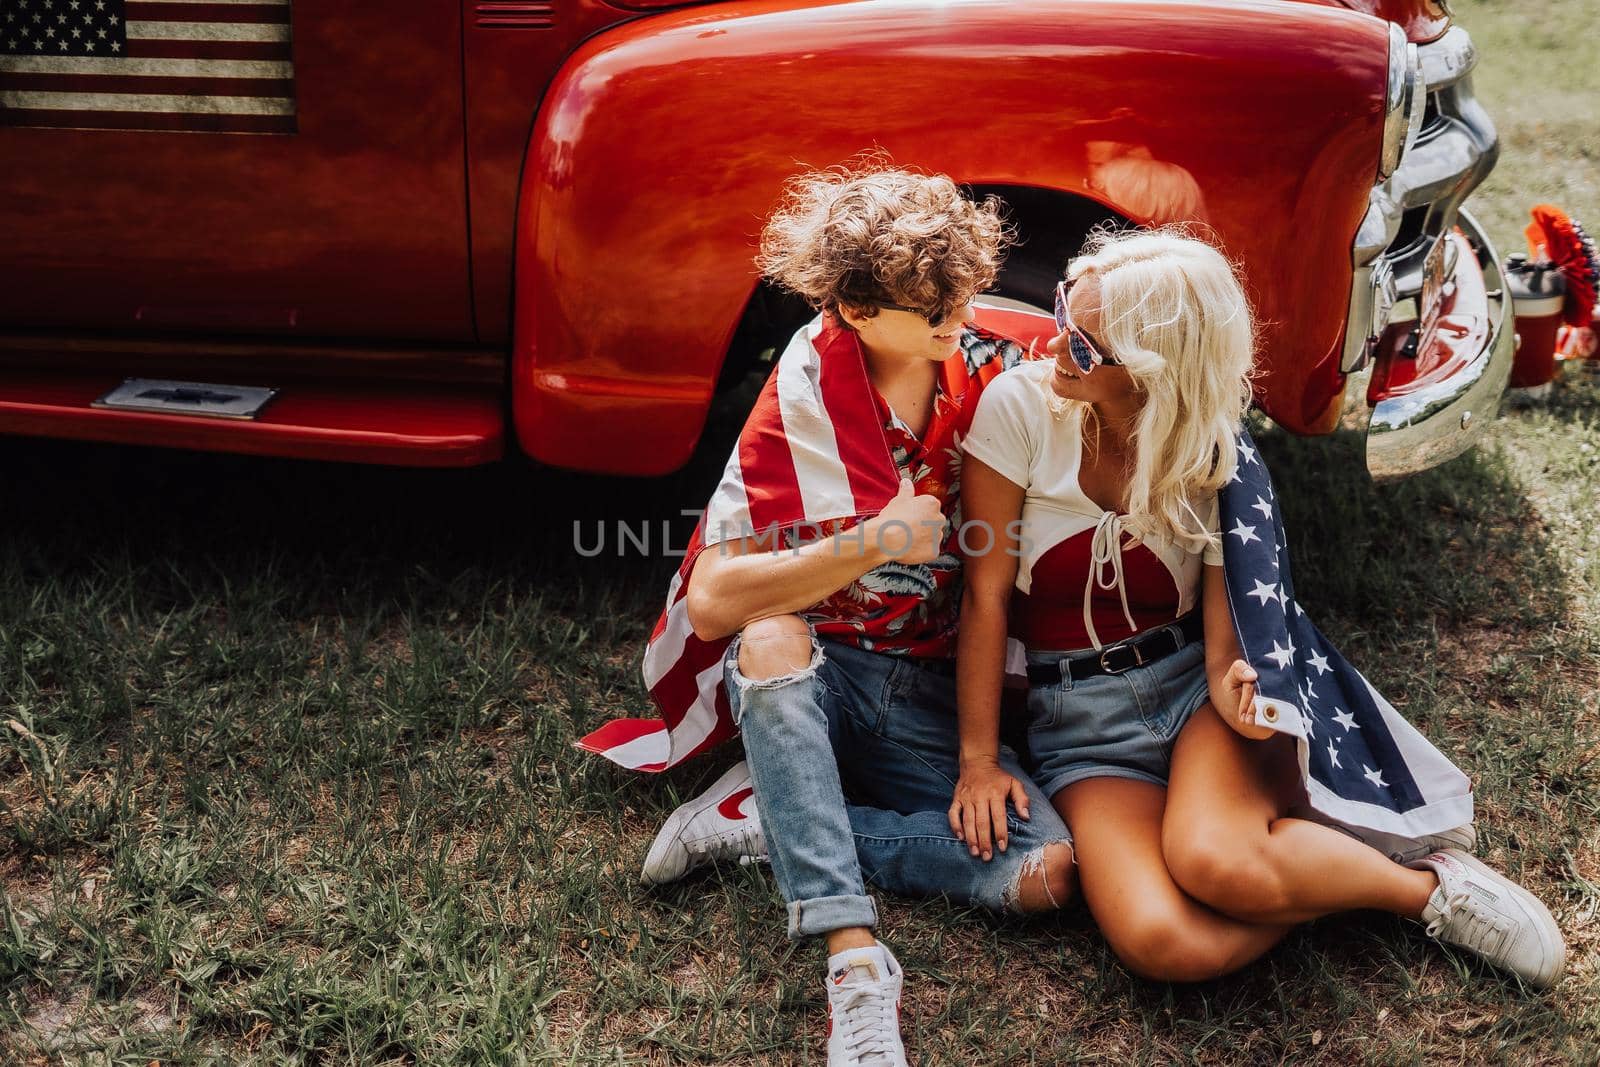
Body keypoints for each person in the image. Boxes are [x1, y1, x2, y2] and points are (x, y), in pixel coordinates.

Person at [950, 227, 1567, 987]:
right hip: (1080, 726)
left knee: (1212, 861)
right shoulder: (1019, 408)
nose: (1053, 347)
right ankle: (1312, 863)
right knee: (1165, 942)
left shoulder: (1212, 450)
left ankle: (1432, 893)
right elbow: (984, 599)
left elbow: (1223, 648)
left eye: (1082, 346)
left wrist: (1239, 703)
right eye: (1060, 316)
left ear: (1153, 372)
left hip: (1188, 691)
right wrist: (977, 760)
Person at [637, 167, 1077, 1066]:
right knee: (767, 638)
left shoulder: (994, 357)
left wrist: (976, 758)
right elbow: (716, 601)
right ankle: (854, 961)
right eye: (932, 306)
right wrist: (873, 542)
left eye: (964, 290)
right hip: (827, 677)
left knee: (1047, 872)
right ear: (858, 310)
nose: (958, 318)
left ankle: (778, 821)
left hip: (938, 689)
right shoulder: (804, 388)